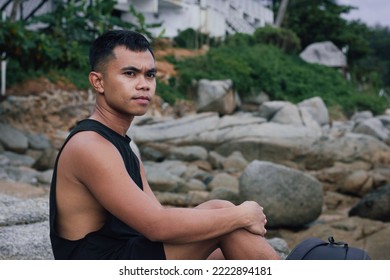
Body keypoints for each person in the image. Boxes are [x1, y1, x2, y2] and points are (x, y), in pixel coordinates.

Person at [49, 29, 280, 260]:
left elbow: (156, 220)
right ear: (98, 81)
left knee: (221, 248)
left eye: (150, 75)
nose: (144, 84)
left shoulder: (121, 147)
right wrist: (242, 214)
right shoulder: (90, 146)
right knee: (223, 215)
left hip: (127, 256)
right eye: (130, 73)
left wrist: (232, 217)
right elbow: (156, 225)